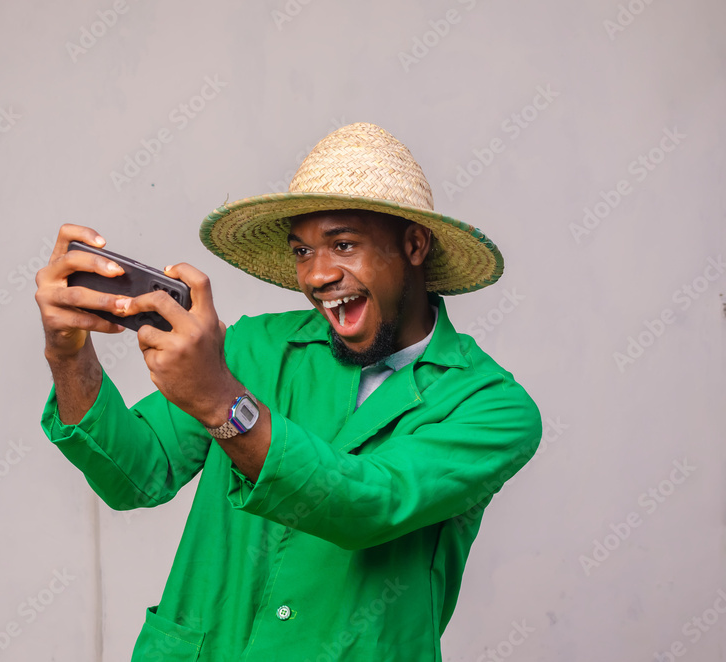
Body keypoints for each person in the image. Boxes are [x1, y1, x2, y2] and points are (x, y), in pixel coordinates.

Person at [35, 122, 542, 661]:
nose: (317, 275)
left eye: (343, 244)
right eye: (303, 251)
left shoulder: (492, 406)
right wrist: (68, 356)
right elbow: (135, 475)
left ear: (414, 245)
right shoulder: (255, 346)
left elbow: (368, 503)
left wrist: (219, 401)